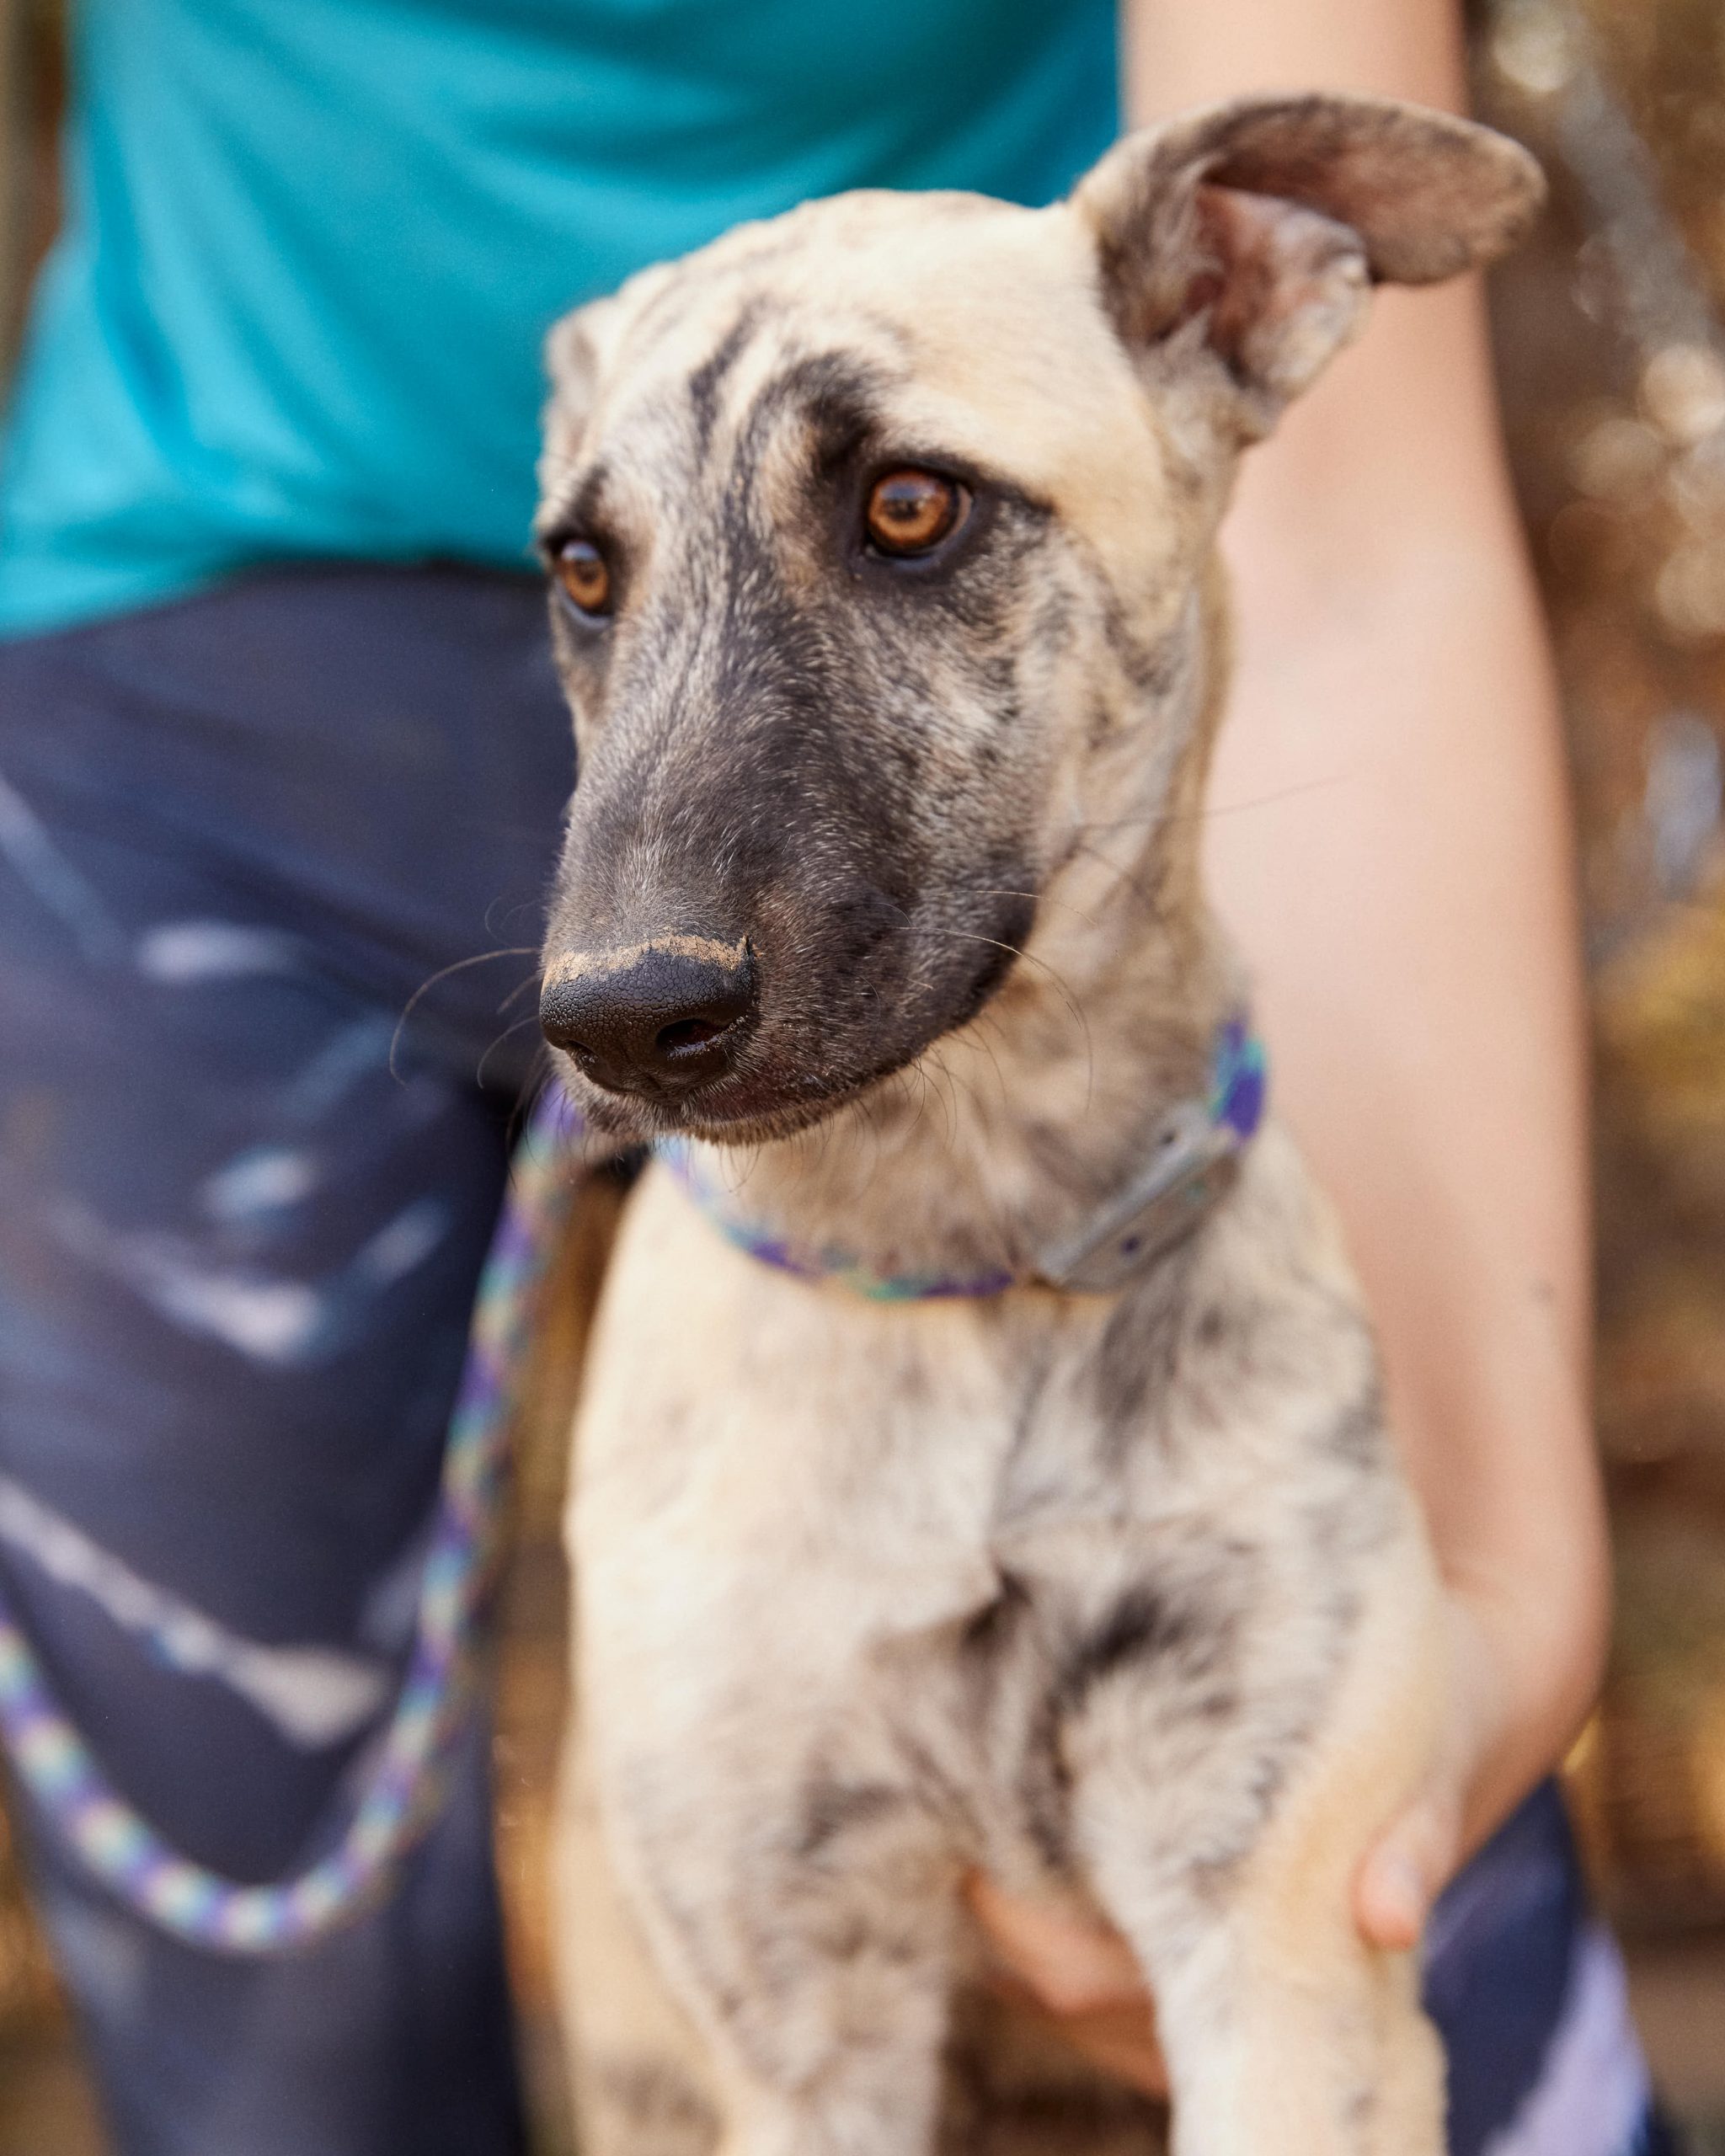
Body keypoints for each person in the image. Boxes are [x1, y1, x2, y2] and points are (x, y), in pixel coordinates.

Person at [0, 2, 1664, 2152]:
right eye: (582, 565)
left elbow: (1357, 571)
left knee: (1440, 1944)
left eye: (907, 516)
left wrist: (1521, 1588)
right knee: (276, 2009)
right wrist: (697, 543)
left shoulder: (1131, 342)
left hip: (1035, 435)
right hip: (179, 651)